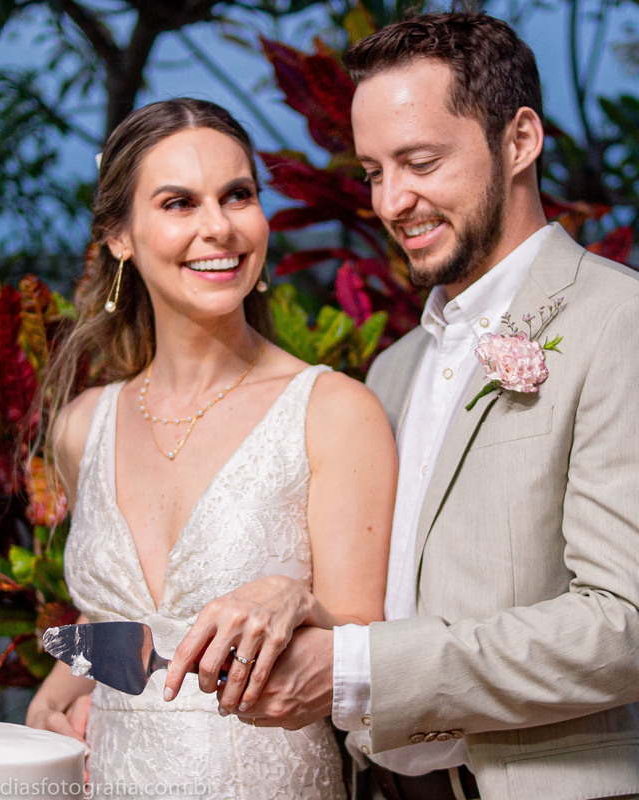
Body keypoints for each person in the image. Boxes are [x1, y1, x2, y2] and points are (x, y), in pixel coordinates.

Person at [182, 13, 639, 800]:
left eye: (420, 161)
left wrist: (358, 668)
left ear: (520, 140)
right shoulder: (393, 370)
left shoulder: (616, 320)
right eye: (372, 173)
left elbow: (621, 624)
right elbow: (393, 593)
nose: (393, 201)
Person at [25, 98, 396, 798]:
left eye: (237, 195)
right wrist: (53, 695)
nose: (218, 227)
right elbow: (122, 627)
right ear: (120, 237)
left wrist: (294, 597)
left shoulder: (332, 411)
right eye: (178, 203)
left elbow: (369, 644)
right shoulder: (84, 426)